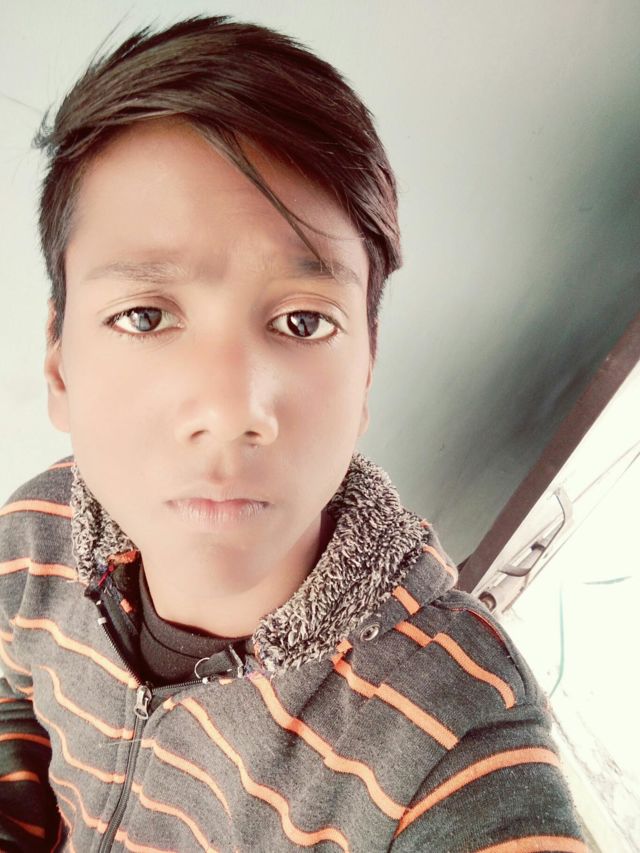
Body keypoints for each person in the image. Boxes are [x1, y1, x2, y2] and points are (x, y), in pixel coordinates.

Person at [0, 14, 587, 852]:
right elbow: (14, 695)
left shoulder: (450, 728)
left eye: (304, 322)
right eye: (145, 315)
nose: (231, 407)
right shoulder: (35, 533)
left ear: (366, 377)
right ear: (59, 365)